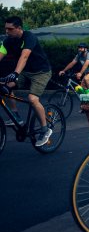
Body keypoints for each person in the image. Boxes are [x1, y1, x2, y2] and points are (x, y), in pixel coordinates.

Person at [0, 16, 53, 146]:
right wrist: (15, 75)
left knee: (33, 99)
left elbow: (24, 57)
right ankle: (16, 116)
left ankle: (45, 130)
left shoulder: (29, 37)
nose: (7, 31)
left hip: (41, 72)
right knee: (5, 88)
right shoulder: (8, 41)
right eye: (5, 29)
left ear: (19, 28)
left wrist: (15, 73)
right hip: (25, 72)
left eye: (10, 29)